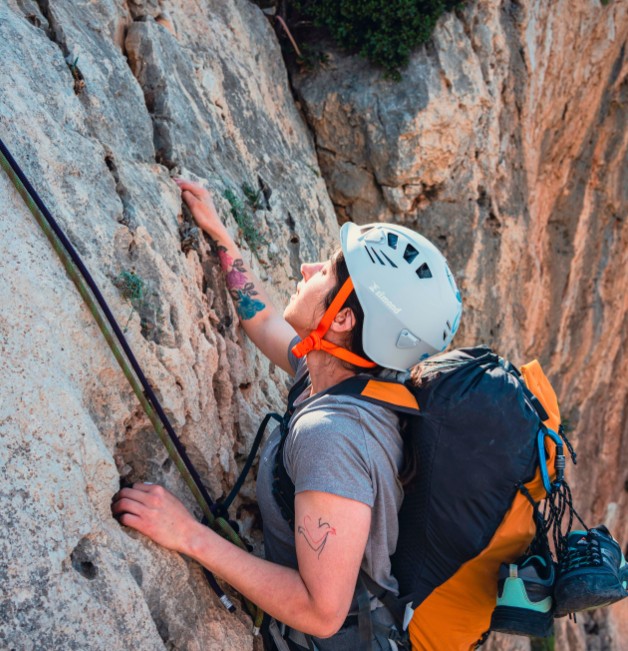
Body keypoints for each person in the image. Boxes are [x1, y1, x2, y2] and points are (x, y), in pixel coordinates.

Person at [111, 179, 462, 650]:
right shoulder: (338, 375)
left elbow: (322, 612)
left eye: (327, 271)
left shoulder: (333, 437)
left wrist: (187, 535)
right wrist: (220, 236)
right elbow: (263, 321)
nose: (307, 268)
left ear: (342, 320)